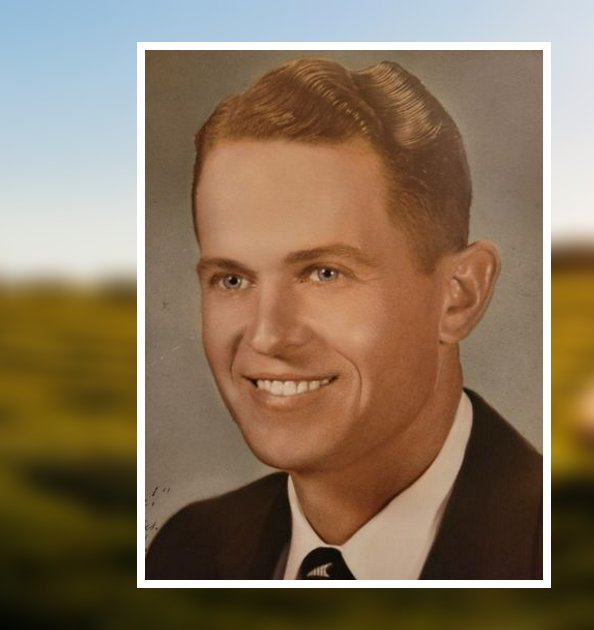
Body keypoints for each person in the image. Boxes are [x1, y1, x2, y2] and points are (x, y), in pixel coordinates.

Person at [146, 57, 542, 580]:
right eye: (233, 280)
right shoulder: (185, 552)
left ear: (459, 296)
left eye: (324, 273)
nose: (267, 336)